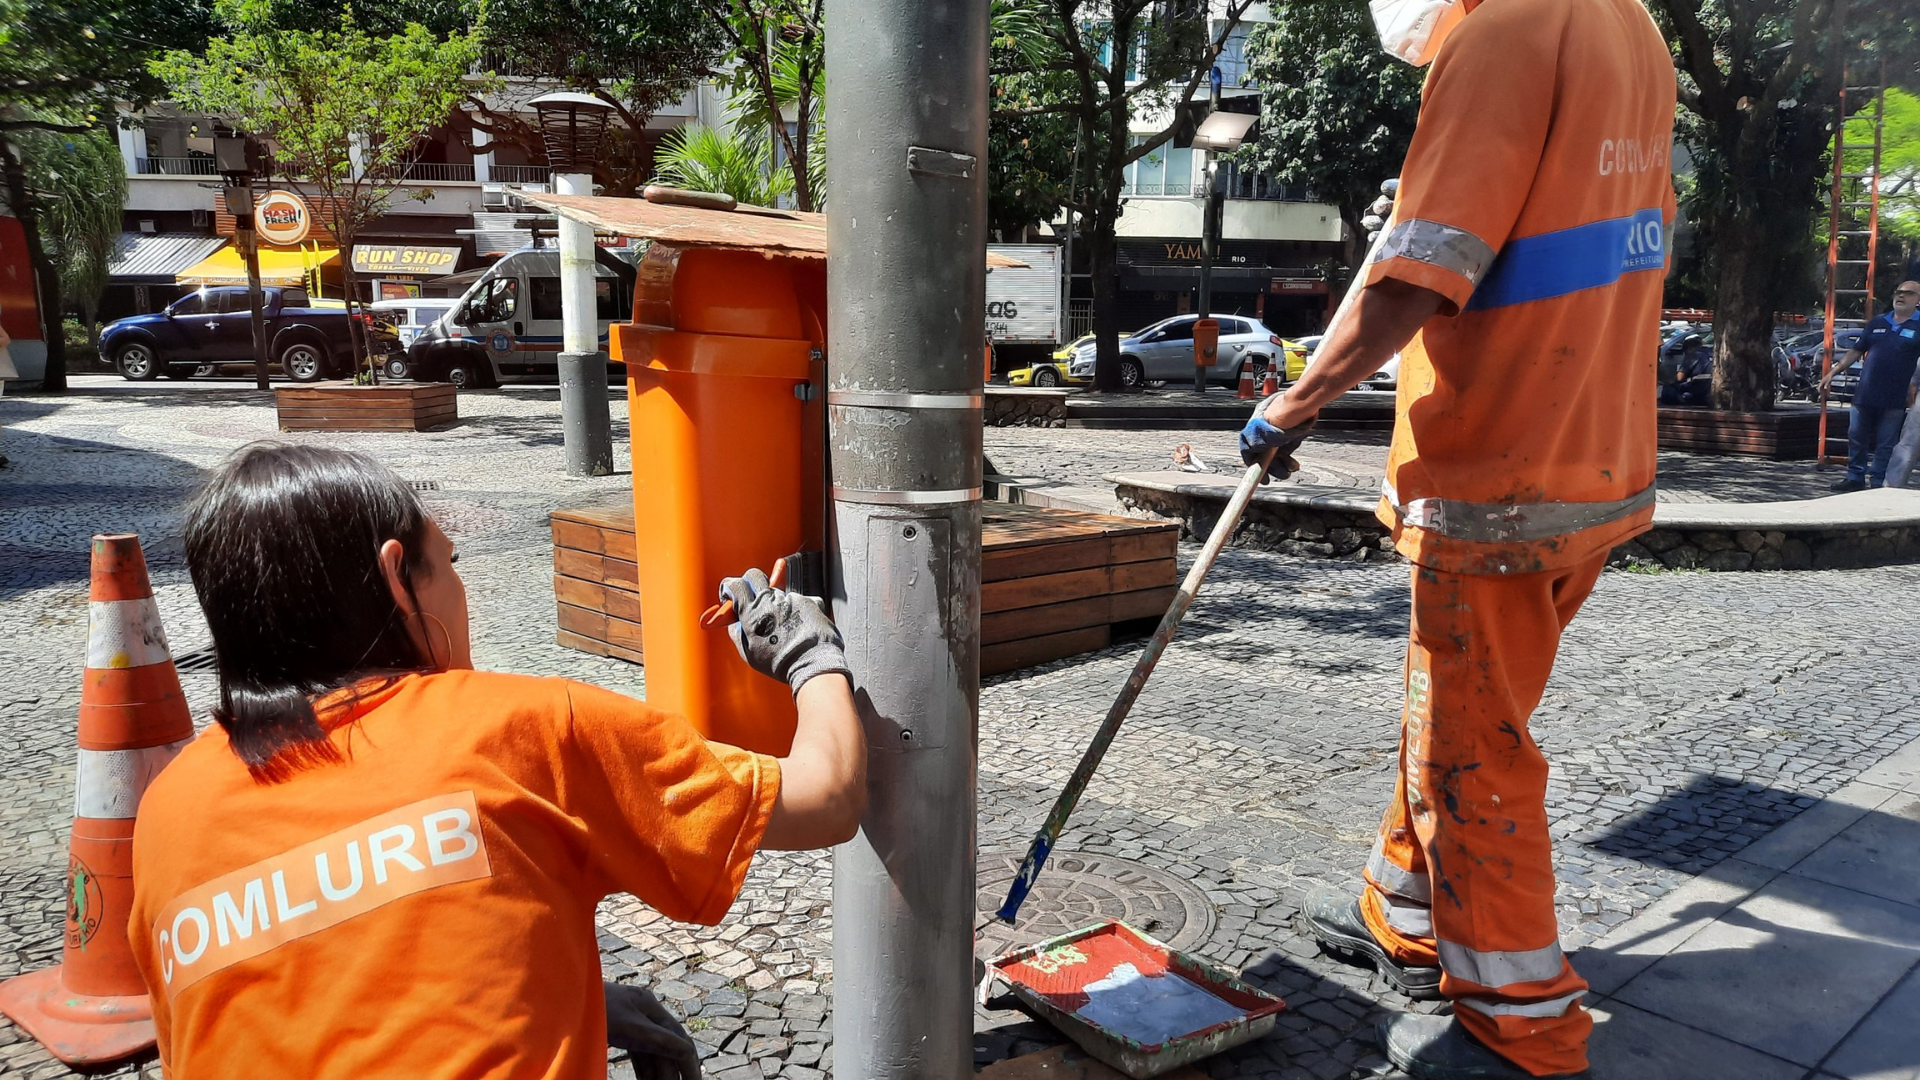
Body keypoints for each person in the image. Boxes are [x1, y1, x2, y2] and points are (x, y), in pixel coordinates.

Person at [127, 443, 866, 1079]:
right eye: (448, 560)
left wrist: (566, 996)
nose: (460, 585)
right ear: (396, 575)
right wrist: (806, 649)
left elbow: (301, 990)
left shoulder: (169, 810)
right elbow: (827, 794)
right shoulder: (529, 730)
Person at [1240, 1, 1675, 1077]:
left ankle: (1524, 1022)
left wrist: (1290, 408)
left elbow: (1415, 276)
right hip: (1593, 457)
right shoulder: (1632, 29)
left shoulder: (1501, 35)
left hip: (1498, 471)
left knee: (1472, 752)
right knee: (1456, 702)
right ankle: (1406, 908)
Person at [1822, 281, 1920, 491]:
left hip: (1894, 397)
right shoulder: (1878, 322)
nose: (1901, 296)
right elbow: (1856, 351)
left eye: (1908, 293)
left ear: (1918, 299)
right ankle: (1855, 477)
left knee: (1886, 443)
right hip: (1865, 393)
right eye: (1898, 292)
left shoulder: (1918, 325)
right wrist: (1832, 372)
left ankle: (1878, 482)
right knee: (1856, 436)